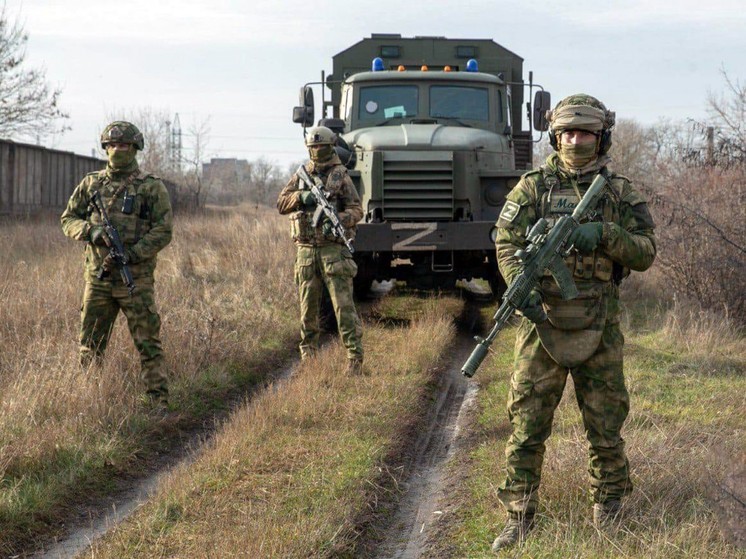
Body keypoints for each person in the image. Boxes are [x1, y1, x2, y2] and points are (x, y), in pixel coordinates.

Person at [490, 94, 657, 551]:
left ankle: (610, 508)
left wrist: (604, 234)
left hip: (598, 324)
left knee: (605, 425)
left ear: (600, 137)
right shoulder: (532, 187)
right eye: (567, 133)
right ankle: (519, 515)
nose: (575, 141)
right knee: (526, 425)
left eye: (585, 133)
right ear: (554, 135)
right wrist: (516, 283)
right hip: (541, 325)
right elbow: (505, 239)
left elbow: (646, 251)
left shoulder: (619, 192)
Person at [61, 121, 173, 407]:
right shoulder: (91, 184)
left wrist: (133, 254)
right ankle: (87, 402)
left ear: (135, 149)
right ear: (105, 148)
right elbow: (68, 220)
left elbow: (163, 230)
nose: (117, 150)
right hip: (98, 280)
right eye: (112, 146)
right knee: (90, 346)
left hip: (135, 281)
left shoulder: (150, 187)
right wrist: (92, 232)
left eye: (124, 145)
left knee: (148, 344)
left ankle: (157, 402)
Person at [277, 126, 364, 375]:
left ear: (330, 146)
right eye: (313, 147)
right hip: (305, 252)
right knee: (307, 310)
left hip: (333, 252)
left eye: (321, 147)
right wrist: (303, 198)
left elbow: (358, 210)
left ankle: (354, 359)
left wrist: (339, 217)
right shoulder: (301, 175)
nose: (317, 151)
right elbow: (281, 203)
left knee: (343, 308)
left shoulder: (341, 176)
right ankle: (308, 361)